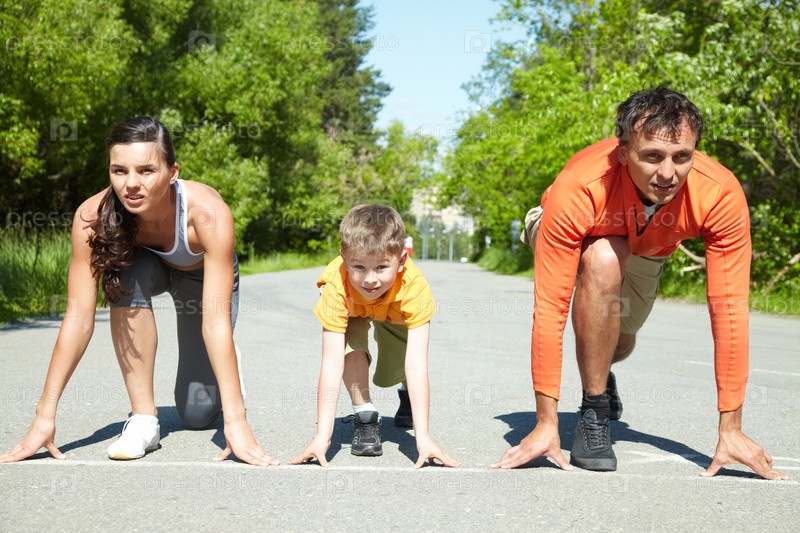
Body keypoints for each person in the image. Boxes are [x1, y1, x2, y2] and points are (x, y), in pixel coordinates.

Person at [491, 87, 786, 480]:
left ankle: (601, 374)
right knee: (604, 255)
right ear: (623, 151)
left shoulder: (719, 193)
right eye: (652, 156)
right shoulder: (580, 185)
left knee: (620, 340)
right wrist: (546, 422)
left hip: (650, 245)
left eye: (681, 157)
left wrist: (731, 428)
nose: (667, 174)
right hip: (574, 226)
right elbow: (550, 308)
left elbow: (729, 311)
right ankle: (594, 412)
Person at [0, 117, 278, 466]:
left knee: (197, 414)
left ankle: (226, 367)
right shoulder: (92, 217)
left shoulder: (207, 215)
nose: (131, 183)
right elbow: (78, 319)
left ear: (172, 172)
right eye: (119, 171)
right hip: (145, 270)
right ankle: (143, 419)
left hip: (199, 278)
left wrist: (236, 423)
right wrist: (44, 415)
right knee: (125, 272)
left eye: (146, 170)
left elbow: (214, 322)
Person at [289, 204, 458, 468]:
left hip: (395, 312)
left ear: (401, 261)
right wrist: (322, 436)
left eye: (381, 267)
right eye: (358, 266)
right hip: (352, 309)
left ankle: (407, 396)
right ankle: (365, 413)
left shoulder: (414, 287)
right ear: (344, 258)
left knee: (400, 358)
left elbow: (416, 364)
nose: (369, 279)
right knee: (349, 347)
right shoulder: (337, 285)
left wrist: (423, 437)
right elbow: (332, 363)